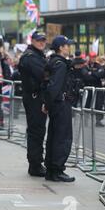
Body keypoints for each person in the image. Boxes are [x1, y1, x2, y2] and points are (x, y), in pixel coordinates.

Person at [43, 35, 75, 183]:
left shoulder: (54, 62)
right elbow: (54, 87)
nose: (69, 47)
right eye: (67, 45)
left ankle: (51, 169)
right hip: (61, 104)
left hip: (56, 104)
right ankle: (57, 169)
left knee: (54, 136)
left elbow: (49, 86)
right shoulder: (61, 64)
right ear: (61, 48)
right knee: (62, 137)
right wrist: (49, 103)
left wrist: (47, 104)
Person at [18, 31, 48, 177]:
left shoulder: (36, 55)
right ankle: (35, 165)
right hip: (34, 98)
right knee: (36, 131)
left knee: (38, 131)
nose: (42, 42)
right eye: (39, 40)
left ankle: (36, 163)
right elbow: (44, 75)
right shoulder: (31, 57)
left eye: (43, 40)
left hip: (36, 97)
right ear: (33, 40)